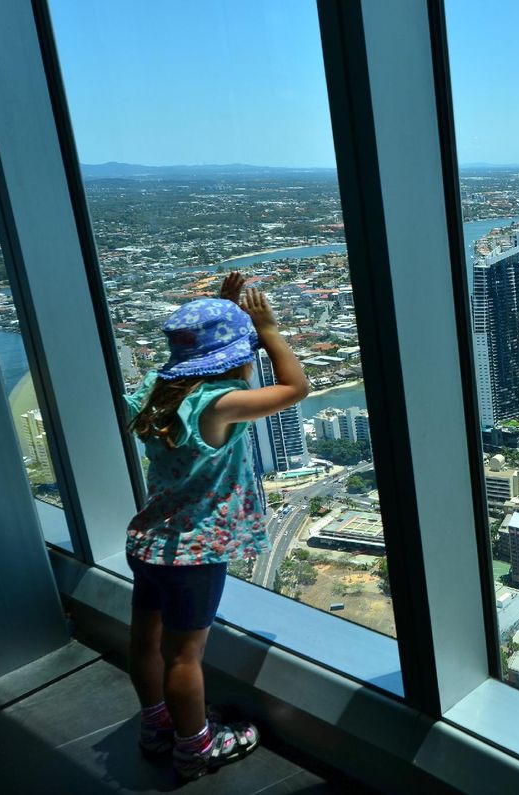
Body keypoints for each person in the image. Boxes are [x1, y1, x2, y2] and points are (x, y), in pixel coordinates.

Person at [123, 272, 309, 781]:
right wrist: (266, 328)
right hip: (194, 552)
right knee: (185, 658)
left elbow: (194, 361)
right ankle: (195, 747)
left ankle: (156, 724)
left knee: (145, 642)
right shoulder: (219, 405)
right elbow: (296, 387)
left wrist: (226, 313)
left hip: (147, 541)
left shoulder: (155, 391)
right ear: (232, 360)